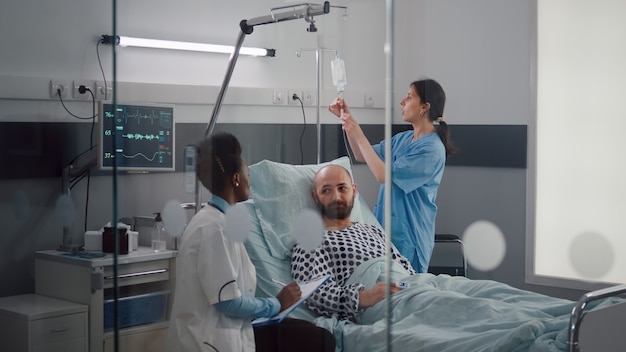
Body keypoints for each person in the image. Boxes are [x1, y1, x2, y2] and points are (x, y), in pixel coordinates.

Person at [167, 132, 335, 352]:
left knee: (314, 335)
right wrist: (276, 303)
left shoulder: (214, 221)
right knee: (316, 340)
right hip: (208, 341)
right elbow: (227, 302)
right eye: (247, 173)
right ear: (236, 179)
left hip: (226, 331)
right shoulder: (215, 228)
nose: (250, 180)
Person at [328, 78, 456, 273]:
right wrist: (347, 121)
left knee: (404, 294)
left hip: (409, 239)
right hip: (385, 233)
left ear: (424, 107)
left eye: (409, 97)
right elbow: (361, 155)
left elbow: (382, 174)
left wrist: (358, 131)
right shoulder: (404, 139)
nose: (402, 101)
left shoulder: (431, 150)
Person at [291, 164, 416, 321]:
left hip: (409, 290)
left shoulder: (373, 231)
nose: (336, 197)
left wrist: (414, 286)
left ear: (354, 191)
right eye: (326, 190)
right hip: (379, 307)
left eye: (342, 188)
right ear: (315, 197)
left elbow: (406, 269)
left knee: (451, 290)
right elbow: (313, 291)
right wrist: (364, 297)